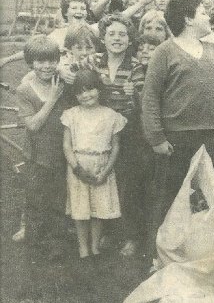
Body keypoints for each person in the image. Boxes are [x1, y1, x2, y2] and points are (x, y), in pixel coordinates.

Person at [142, 0, 214, 230]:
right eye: (202, 13)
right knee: (171, 196)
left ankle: (209, 247)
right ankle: (160, 255)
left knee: (213, 194)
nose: (208, 17)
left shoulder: (212, 51)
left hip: (212, 137)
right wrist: (156, 138)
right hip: (175, 138)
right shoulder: (164, 52)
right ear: (188, 19)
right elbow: (150, 98)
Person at [69, 14, 148, 257]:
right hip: (95, 130)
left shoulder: (135, 66)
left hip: (127, 131)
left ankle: (130, 236)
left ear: (129, 39)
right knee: (99, 182)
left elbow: (143, 103)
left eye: (122, 34)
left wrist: (133, 94)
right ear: (102, 38)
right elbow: (71, 73)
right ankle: (105, 233)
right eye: (111, 34)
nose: (117, 38)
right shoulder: (93, 61)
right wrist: (66, 73)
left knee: (127, 183)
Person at [62, 69, 127, 259]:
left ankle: (95, 245)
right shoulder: (71, 115)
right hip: (79, 165)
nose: (86, 95)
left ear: (99, 90)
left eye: (90, 89)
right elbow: (67, 145)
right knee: (80, 207)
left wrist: (106, 171)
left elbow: (115, 147)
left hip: (102, 165)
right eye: (80, 92)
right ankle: (83, 248)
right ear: (75, 95)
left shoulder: (111, 115)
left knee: (99, 208)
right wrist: (77, 169)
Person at [14, 36, 68, 259]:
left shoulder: (64, 81)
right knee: (36, 201)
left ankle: (55, 246)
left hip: (61, 152)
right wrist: (53, 98)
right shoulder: (25, 89)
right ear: (30, 62)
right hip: (37, 155)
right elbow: (33, 125)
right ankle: (34, 247)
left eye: (51, 61)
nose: (46, 66)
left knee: (58, 200)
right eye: (40, 61)